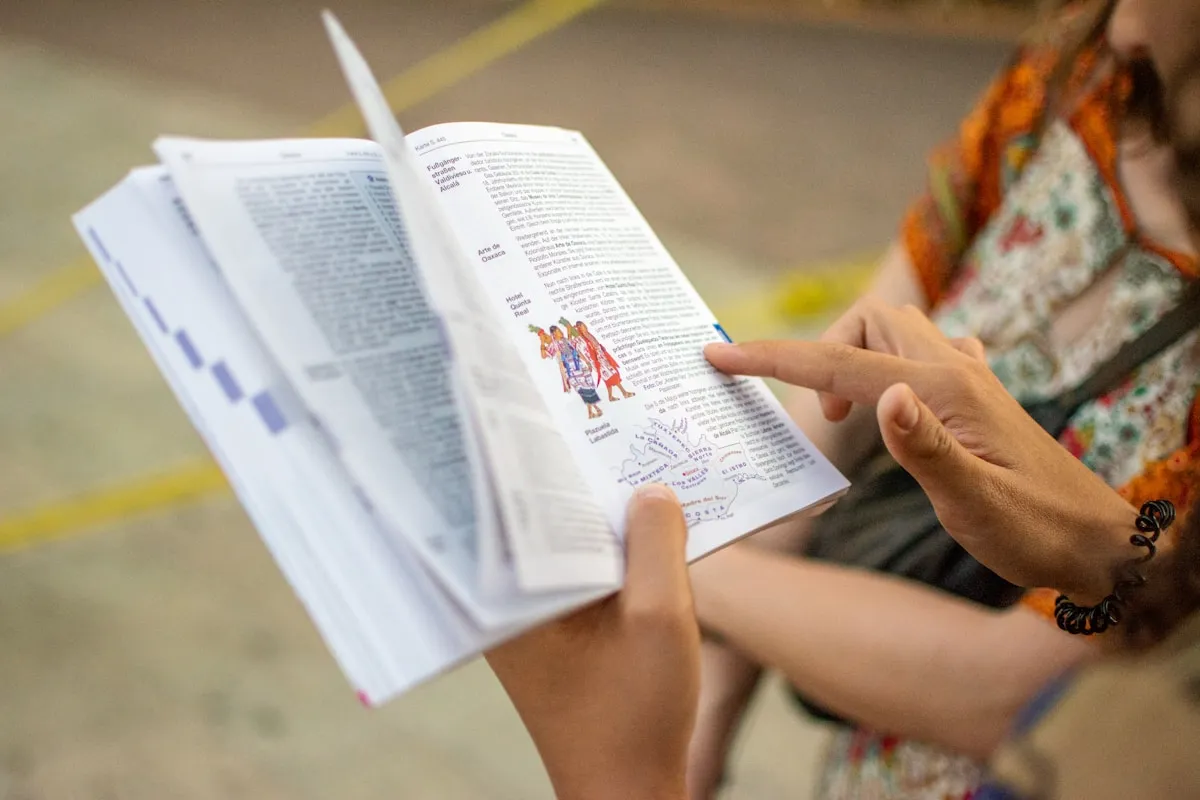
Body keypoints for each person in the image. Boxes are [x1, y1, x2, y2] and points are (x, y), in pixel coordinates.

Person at [687, 1, 1200, 795]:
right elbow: (845, 386)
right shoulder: (1075, 78)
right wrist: (709, 709)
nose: (1122, 19)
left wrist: (685, 568)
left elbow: (1013, 689)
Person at [486, 305, 1200, 799]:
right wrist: (1112, 552)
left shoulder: (1123, 751)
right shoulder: (1066, 105)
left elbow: (1012, 697)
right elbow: (841, 385)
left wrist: (619, 774)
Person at [564, 319, 637, 402]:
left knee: (610, 375)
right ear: (579, 328)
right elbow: (576, 350)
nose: (585, 327)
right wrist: (568, 329)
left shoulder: (586, 335)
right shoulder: (577, 341)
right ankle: (624, 393)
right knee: (611, 375)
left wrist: (601, 352)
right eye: (582, 326)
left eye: (583, 325)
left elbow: (595, 343)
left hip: (601, 357)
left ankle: (612, 396)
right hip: (595, 361)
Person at [544, 324, 605, 419]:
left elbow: (578, 352)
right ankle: (595, 410)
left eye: (560, 330)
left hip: (579, 365)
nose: (561, 332)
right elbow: (555, 360)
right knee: (583, 389)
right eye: (559, 331)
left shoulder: (567, 341)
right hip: (571, 369)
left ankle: (592, 412)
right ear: (554, 333)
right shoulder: (554, 345)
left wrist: (587, 362)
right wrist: (565, 380)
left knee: (589, 386)